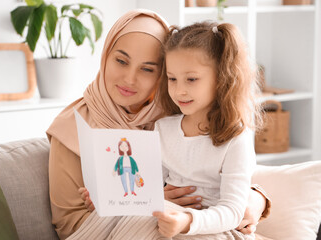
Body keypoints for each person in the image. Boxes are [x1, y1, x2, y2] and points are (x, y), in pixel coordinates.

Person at [47, 9, 270, 240]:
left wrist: (257, 199)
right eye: (121, 61)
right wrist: (119, 201)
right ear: (105, 57)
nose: (130, 79)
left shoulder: (171, 111)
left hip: (199, 224)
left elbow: (232, 184)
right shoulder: (74, 127)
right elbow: (70, 224)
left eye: (148, 69)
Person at [152, 21, 262, 239]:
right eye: (172, 79)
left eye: (191, 79)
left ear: (223, 78)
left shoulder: (236, 137)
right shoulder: (162, 128)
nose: (179, 90)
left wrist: (187, 221)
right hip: (169, 218)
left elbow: (233, 210)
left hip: (215, 228)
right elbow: (148, 188)